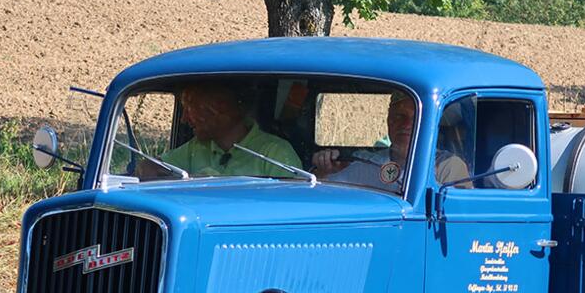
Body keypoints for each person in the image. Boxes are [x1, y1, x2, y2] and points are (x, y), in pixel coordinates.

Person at [313, 92, 469, 191]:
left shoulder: (447, 166)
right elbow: (322, 192)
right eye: (399, 117)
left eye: (415, 119)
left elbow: (460, 216)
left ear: (428, 125)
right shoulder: (367, 162)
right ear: (388, 121)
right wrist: (325, 169)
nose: (406, 125)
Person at [143, 82, 301, 178]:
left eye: (191, 109)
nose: (184, 119)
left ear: (221, 109)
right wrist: (181, 181)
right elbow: (147, 168)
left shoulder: (275, 153)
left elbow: (290, 207)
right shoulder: (196, 147)